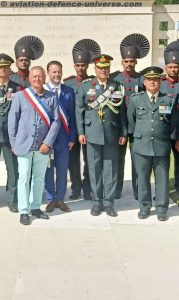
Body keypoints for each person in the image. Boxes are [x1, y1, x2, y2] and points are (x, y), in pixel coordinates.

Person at [76, 54, 127, 217]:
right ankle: (97, 202)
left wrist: (123, 132)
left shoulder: (117, 87)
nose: (103, 71)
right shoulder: (85, 87)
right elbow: (79, 112)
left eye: (106, 68)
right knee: (94, 169)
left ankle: (109, 203)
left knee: (111, 170)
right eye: (100, 68)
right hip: (92, 134)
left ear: (109, 69)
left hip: (112, 133)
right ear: (95, 69)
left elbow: (122, 112)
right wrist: (81, 132)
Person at [8, 66, 60, 225]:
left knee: (38, 178)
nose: (37, 79)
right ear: (30, 79)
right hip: (23, 145)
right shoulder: (20, 96)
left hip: (42, 146)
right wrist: (14, 144)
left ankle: (36, 207)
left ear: (44, 78)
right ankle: (24, 210)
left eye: (40, 76)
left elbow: (56, 121)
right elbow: (12, 122)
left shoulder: (51, 97)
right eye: (34, 76)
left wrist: (47, 142)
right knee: (23, 177)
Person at [127, 66, 173, 221]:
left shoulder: (167, 100)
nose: (152, 82)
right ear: (144, 82)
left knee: (162, 179)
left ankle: (161, 208)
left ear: (160, 81)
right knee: (143, 178)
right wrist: (137, 138)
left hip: (161, 145)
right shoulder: (135, 99)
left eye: (156, 79)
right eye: (149, 79)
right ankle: (144, 207)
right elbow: (131, 123)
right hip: (142, 146)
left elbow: (172, 124)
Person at [110, 33, 150, 200]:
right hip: (119, 125)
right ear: (122, 62)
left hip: (137, 125)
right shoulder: (114, 78)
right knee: (117, 160)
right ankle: (117, 189)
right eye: (126, 61)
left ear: (135, 62)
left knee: (137, 160)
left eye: (132, 61)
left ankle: (137, 190)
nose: (129, 64)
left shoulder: (141, 79)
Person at [64, 39, 101, 200]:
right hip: (72, 127)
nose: (81, 68)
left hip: (88, 126)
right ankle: (76, 188)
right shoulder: (68, 82)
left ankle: (88, 188)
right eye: (78, 65)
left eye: (83, 65)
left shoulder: (93, 82)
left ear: (87, 66)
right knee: (73, 161)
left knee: (89, 160)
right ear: (74, 66)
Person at [44, 61, 76, 213]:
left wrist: (72, 137)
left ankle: (61, 199)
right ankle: (51, 199)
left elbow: (72, 117)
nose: (57, 75)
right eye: (53, 72)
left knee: (62, 170)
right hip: (47, 140)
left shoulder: (68, 91)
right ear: (48, 73)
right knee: (48, 170)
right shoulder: (42, 91)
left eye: (59, 72)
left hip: (64, 139)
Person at [0, 54, 19, 212]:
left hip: (9, 135)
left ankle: (13, 200)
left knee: (12, 168)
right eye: (0, 67)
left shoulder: (18, 88)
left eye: (5, 66)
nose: (2, 69)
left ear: (9, 69)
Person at [160, 40, 179, 198]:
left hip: (178, 133)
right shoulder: (159, 84)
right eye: (171, 67)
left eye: (176, 66)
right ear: (165, 68)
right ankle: (162, 191)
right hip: (163, 132)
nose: (173, 69)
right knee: (162, 164)